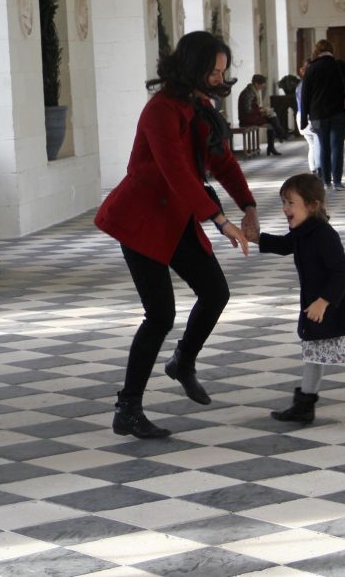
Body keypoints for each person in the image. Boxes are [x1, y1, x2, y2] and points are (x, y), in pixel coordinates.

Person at [95, 30, 258, 439]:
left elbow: (222, 162)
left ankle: (182, 362)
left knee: (215, 292)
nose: (220, 79)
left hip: (177, 218)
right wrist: (221, 221)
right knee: (160, 315)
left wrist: (249, 206)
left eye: (223, 72)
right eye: (214, 72)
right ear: (193, 69)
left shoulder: (199, 107)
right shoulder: (160, 111)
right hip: (141, 220)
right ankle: (127, 408)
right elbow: (177, 173)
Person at [249, 173, 345, 434]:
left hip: (340, 308)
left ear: (312, 206)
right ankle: (304, 405)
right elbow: (284, 244)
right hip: (322, 307)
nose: (285, 208)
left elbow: (341, 272)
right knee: (313, 354)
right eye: (284, 202)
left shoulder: (323, 234)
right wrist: (258, 238)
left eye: (290, 203)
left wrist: (324, 301)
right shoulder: (303, 231)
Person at [300, 39, 345, 191]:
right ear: (331, 50)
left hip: (318, 115)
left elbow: (305, 95)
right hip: (339, 112)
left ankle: (326, 181)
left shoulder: (312, 68)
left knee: (323, 146)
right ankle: (337, 181)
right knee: (337, 147)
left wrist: (303, 120)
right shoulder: (339, 65)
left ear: (317, 51)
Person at [238, 74, 288, 156]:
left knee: (272, 116)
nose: (261, 89)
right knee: (272, 118)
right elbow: (247, 110)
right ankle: (279, 136)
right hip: (247, 118)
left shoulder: (252, 91)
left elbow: (253, 107)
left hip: (252, 116)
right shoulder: (248, 93)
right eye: (261, 86)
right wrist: (261, 111)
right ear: (256, 84)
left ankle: (277, 139)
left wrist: (263, 109)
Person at [295, 62, 321, 175]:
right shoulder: (308, 85)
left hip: (301, 116)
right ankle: (318, 168)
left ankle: (313, 168)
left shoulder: (299, 85)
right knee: (317, 143)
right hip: (310, 117)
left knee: (312, 145)